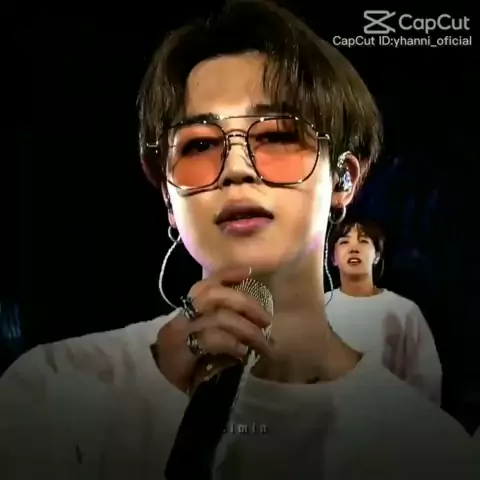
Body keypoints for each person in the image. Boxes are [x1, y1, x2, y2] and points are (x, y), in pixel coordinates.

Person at [0, 1, 477, 479]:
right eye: (200, 144)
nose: (236, 168)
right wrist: (155, 399)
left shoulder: (426, 449)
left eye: (277, 135)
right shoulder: (54, 391)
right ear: (169, 200)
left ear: (344, 180)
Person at [325, 218, 442, 405]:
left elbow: (425, 379)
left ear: (377, 256)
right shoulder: (320, 307)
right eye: (344, 242)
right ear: (333, 258)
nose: (354, 249)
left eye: (363, 241)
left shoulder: (403, 311)